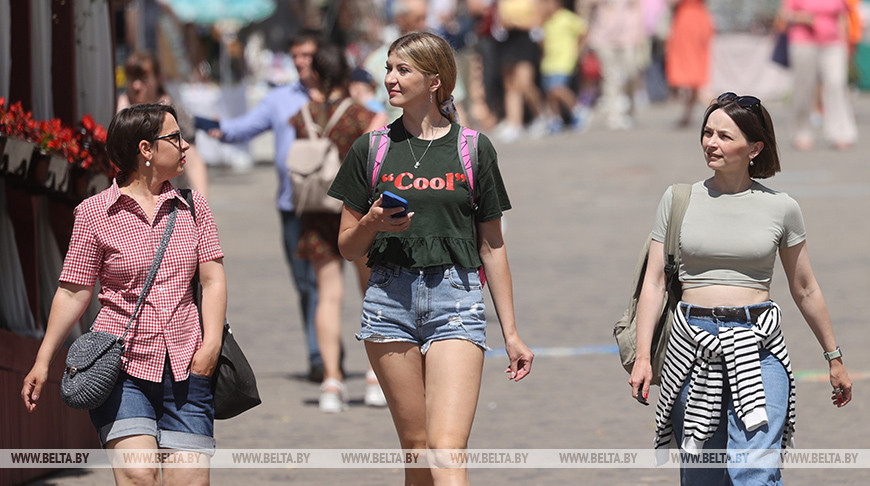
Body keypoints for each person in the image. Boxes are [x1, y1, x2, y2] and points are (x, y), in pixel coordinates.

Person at [328, 31, 534, 484]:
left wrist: (511, 333)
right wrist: (372, 223)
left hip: (456, 301)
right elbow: (347, 247)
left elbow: (492, 246)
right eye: (388, 68)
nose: (390, 78)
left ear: (435, 81)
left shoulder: (473, 148)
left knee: (446, 450)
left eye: (403, 70)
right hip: (388, 303)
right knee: (418, 450)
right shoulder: (371, 148)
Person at [629, 92, 853, 484]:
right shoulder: (678, 199)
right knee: (703, 475)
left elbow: (805, 288)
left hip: (759, 347)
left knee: (755, 471)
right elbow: (655, 282)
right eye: (707, 133)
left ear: (754, 148)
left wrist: (833, 357)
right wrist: (643, 357)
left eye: (724, 136)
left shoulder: (781, 207)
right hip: (691, 348)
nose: (711, 143)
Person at [21, 103, 226, 485]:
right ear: (145, 149)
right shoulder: (94, 213)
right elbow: (73, 291)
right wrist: (43, 360)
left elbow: (213, 280)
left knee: (189, 480)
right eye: (175, 138)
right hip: (121, 369)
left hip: (187, 366)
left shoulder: (193, 206)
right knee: (138, 474)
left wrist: (211, 345)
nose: (185, 146)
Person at [206, 30, 327, 382]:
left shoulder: (338, 95)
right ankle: (320, 351)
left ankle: (325, 353)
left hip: (332, 206)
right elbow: (244, 128)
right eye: (296, 55)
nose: (301, 61)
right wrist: (212, 128)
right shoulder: (280, 99)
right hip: (292, 204)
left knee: (328, 282)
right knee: (305, 283)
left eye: (308, 54)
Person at [289, 45, 386, 412]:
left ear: (314, 74)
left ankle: (331, 382)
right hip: (358, 213)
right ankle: (375, 377)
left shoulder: (302, 115)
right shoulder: (365, 115)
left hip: (316, 211)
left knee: (327, 296)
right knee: (371, 293)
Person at [118, 50, 210, 197]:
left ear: (158, 79)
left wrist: (201, 205)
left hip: (170, 199)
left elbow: (193, 162)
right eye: (132, 78)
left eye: (143, 79)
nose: (136, 86)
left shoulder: (174, 113)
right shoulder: (119, 111)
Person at [777, 0, 857, 151]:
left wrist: (846, 45)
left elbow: (842, 17)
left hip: (833, 42)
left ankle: (841, 132)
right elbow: (784, 15)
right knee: (804, 87)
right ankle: (801, 132)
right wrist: (801, 17)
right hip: (804, 41)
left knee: (836, 84)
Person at [539, 0, 589, 134]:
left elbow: (584, 30)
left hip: (564, 60)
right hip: (548, 62)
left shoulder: (566, 17)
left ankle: (578, 110)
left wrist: (578, 49)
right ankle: (556, 119)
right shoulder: (545, 21)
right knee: (550, 94)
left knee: (557, 89)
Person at [665, 0, 714, 128]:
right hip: (700, 18)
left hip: (687, 21)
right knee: (697, 69)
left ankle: (718, 108)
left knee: (691, 73)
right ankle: (687, 114)